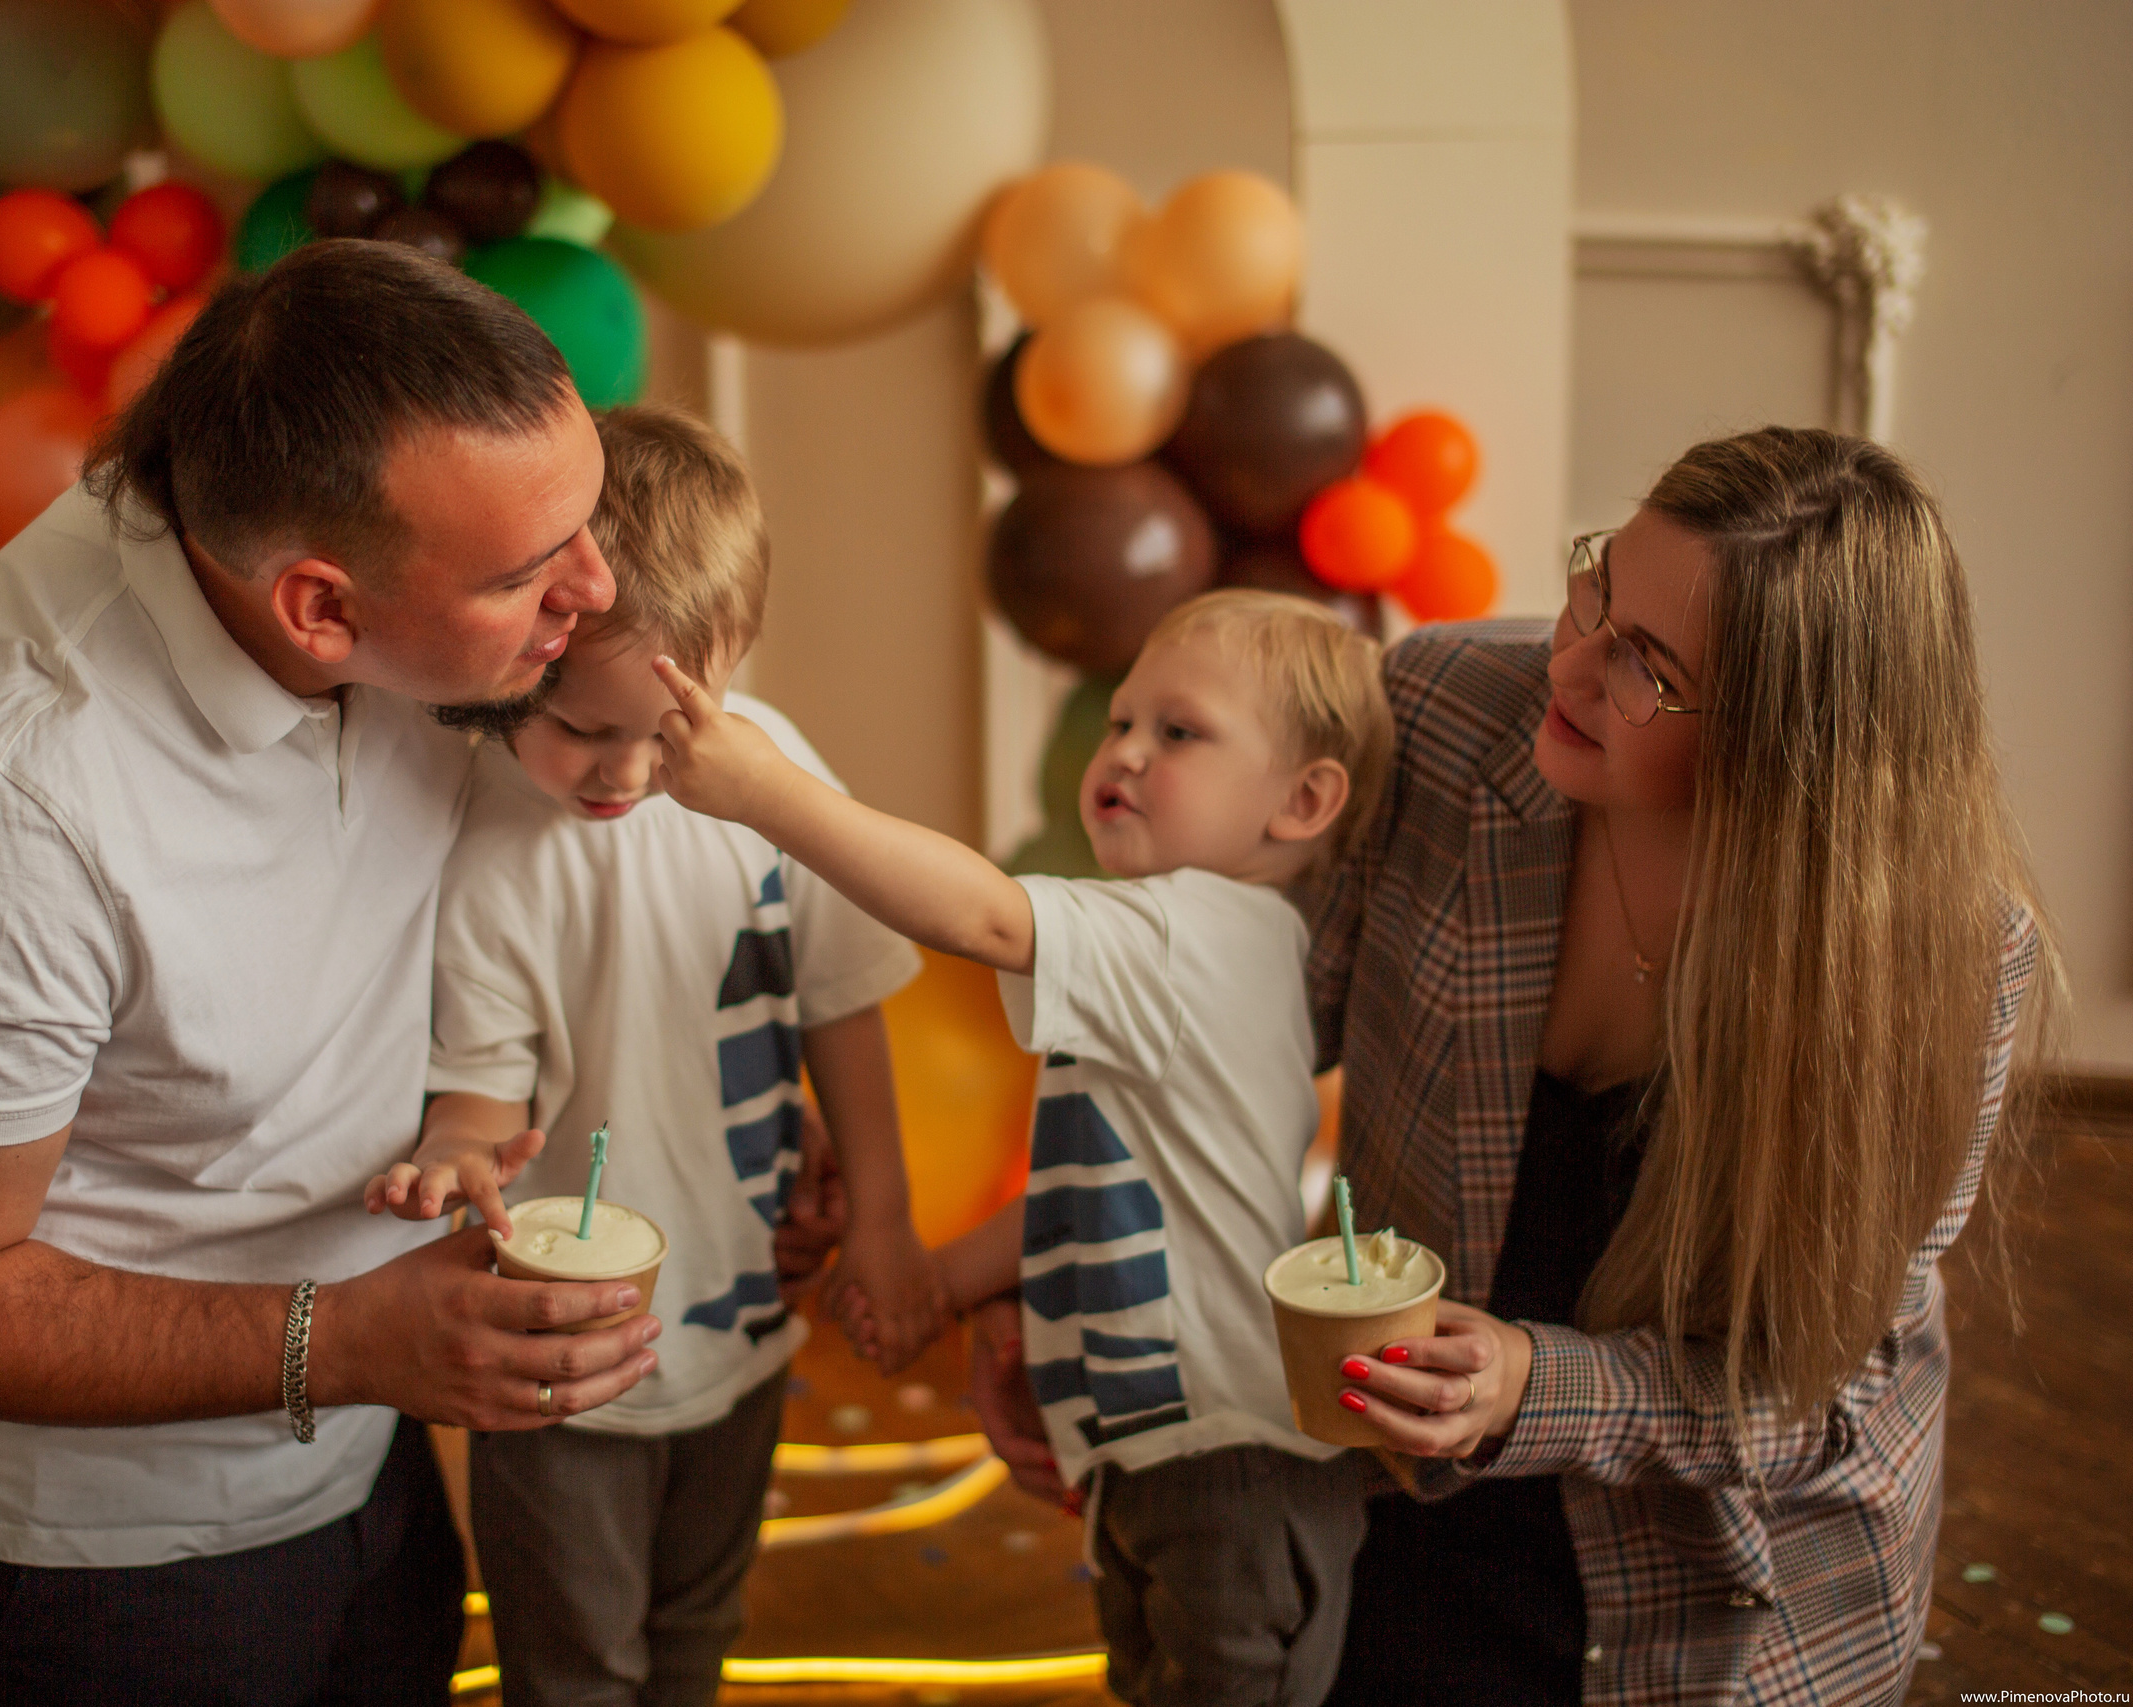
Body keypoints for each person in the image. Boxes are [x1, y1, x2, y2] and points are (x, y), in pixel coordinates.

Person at [971, 427, 2060, 1706]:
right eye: (1597, 586)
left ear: (1789, 753)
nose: (1573, 661)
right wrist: (1040, 1288)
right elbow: (1217, 1041)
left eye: (1645, 665)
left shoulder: (1937, 958)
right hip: (1401, 1500)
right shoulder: (1443, 711)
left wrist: (1537, 1385)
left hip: (1721, 1591)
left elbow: (1811, 1393)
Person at [0, 242, 666, 1706]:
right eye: (529, 571)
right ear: (319, 610)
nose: (598, 583)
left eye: (587, 523)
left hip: (362, 1425)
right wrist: (354, 1331)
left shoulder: (412, 612)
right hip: (97, 1544)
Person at [653, 589, 1398, 1707]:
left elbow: (986, 917)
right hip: (1152, 1467)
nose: (1128, 750)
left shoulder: (1199, 934)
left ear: (1302, 801)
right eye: (1120, 723)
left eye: (1179, 732)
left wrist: (768, 796)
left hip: (1230, 1471)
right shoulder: (1178, 948)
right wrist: (941, 1282)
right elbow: (1085, 1191)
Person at [364, 401, 939, 1705]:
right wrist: (457, 1145)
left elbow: (841, 1000)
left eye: (668, 727)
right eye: (579, 725)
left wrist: (889, 1219)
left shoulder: (777, 775)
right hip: (562, 1352)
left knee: (694, 1631)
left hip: (742, 1315)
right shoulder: (493, 846)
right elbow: (483, 1071)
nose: (624, 769)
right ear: (530, 650)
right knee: (571, 1661)